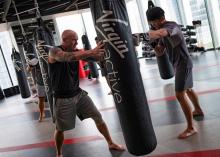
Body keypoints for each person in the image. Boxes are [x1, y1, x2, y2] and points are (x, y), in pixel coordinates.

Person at [48, 30, 125, 157]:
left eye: (77, 40)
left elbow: (97, 57)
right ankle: (59, 153)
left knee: (97, 116)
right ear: (64, 39)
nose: (76, 42)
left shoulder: (77, 52)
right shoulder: (54, 51)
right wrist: (90, 51)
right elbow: (66, 57)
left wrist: (109, 46)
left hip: (78, 94)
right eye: (74, 40)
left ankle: (111, 143)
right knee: (60, 129)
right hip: (62, 98)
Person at [146, 7, 204, 139]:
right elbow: (160, 51)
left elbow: (163, 32)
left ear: (161, 19)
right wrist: (153, 44)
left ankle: (191, 128)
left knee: (179, 94)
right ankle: (198, 110)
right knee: (188, 89)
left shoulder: (172, 26)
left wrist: (148, 34)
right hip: (178, 64)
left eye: (153, 22)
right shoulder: (159, 30)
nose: (152, 25)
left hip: (183, 64)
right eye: (151, 23)